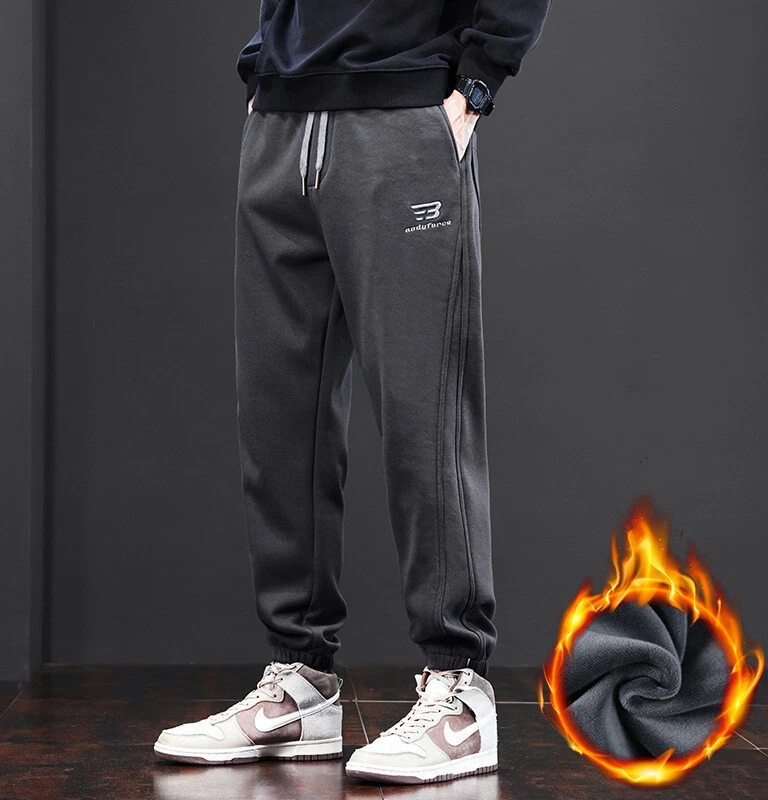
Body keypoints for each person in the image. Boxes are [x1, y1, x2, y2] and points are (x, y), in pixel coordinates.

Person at [154, 0, 550, 784]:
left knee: (423, 414)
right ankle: (299, 682)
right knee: (279, 420)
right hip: (282, 121)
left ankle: (461, 693)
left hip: (403, 118)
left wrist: (475, 85)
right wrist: (265, 64)